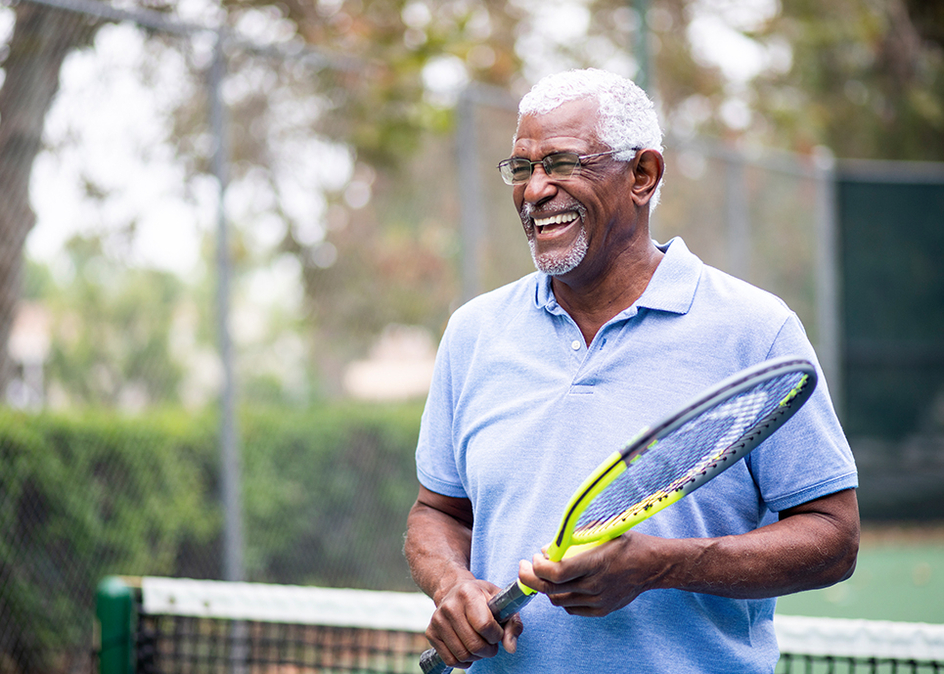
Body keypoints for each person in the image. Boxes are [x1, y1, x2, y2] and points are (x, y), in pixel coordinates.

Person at [403, 68, 859, 673]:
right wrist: (451, 584)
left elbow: (833, 537)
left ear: (642, 175)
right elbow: (436, 512)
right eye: (522, 168)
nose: (534, 190)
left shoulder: (756, 329)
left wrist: (662, 563)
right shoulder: (473, 333)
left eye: (562, 164)